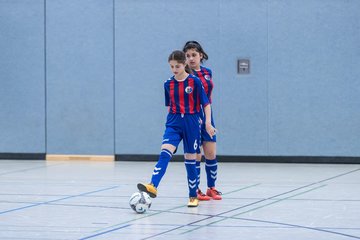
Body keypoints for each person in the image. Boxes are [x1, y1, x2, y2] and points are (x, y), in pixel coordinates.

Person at [137, 50, 216, 207]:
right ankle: (153, 185)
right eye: (172, 66)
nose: (174, 69)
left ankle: (193, 196)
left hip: (192, 121)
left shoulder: (194, 82)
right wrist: (171, 124)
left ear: (184, 64)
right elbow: (170, 106)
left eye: (177, 66)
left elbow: (206, 104)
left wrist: (207, 123)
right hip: (174, 122)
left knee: (190, 160)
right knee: (165, 152)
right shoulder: (168, 84)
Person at [183, 41, 222, 201]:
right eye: (187, 56)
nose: (191, 58)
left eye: (194, 55)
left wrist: (208, 119)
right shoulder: (184, 75)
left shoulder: (207, 72)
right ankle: (196, 189)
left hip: (207, 114)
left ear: (201, 55)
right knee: (196, 154)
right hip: (192, 115)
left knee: (211, 152)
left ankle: (211, 188)